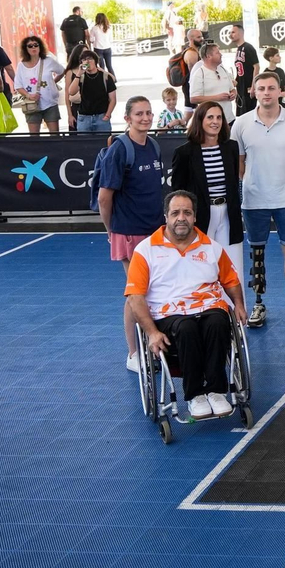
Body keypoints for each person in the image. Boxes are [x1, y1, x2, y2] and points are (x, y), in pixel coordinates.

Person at [124, 191, 245, 420]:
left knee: (219, 322)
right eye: (175, 213)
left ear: (195, 217)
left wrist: (238, 304)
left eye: (187, 213)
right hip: (169, 313)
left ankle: (217, 391)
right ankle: (196, 395)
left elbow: (230, 281)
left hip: (209, 306)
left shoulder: (211, 247)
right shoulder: (145, 250)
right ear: (166, 217)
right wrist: (151, 332)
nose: (181, 218)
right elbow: (135, 298)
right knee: (187, 328)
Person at [234, 71, 285, 328]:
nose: (266, 92)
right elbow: (238, 163)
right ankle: (258, 305)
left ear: (280, 91)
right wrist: (253, 183)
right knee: (257, 253)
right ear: (254, 92)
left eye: (271, 88)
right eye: (261, 88)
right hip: (254, 201)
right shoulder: (241, 124)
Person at [97, 96, 164, 370]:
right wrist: (111, 230)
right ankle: (134, 354)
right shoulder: (120, 150)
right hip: (129, 232)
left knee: (152, 290)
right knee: (136, 292)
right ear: (127, 118)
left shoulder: (154, 146)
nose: (145, 118)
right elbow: (104, 198)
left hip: (155, 231)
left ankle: (153, 345)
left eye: (148, 113)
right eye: (139, 114)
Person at [170, 102, 244, 274]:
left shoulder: (231, 147)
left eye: (219, 117)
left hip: (228, 215)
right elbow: (177, 191)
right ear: (200, 120)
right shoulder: (184, 153)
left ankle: (236, 302)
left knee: (233, 269)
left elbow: (233, 182)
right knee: (201, 267)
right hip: (200, 216)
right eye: (210, 117)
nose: (215, 122)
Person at [11, 35, 64, 136]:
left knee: (55, 135)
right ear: (25, 49)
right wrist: (28, 95)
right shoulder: (21, 66)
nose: (33, 48)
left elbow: (62, 71)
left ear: (40, 47)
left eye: (36, 45)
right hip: (31, 104)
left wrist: (53, 82)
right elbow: (18, 85)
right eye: (30, 46)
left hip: (50, 103)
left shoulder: (48, 61)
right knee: (34, 137)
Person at [69, 50, 117, 132]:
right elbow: (71, 92)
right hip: (84, 117)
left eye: (89, 59)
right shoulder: (81, 77)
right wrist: (78, 74)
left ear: (95, 61)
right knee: (84, 143)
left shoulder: (105, 77)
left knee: (103, 142)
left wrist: (108, 115)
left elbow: (113, 99)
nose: (87, 61)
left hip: (101, 116)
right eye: (84, 60)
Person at [188, 42, 237, 122]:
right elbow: (193, 99)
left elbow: (232, 88)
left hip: (228, 118)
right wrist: (216, 98)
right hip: (211, 121)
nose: (221, 54)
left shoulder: (223, 69)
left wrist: (233, 94)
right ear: (208, 56)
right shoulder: (199, 74)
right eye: (217, 52)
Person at [232, 30, 260, 115]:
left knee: (249, 114)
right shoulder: (238, 49)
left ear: (240, 33)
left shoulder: (248, 47)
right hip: (240, 89)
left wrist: (253, 86)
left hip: (248, 88)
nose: (231, 35)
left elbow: (256, 66)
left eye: (233, 32)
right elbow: (240, 71)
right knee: (241, 115)